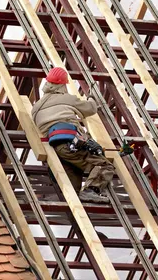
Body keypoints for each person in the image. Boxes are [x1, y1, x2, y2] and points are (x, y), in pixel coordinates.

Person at [31, 67, 114, 203]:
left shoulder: (36, 107)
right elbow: (90, 108)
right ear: (62, 84)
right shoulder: (67, 98)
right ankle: (90, 191)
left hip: (58, 149)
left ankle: (77, 200)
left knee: (75, 173)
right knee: (105, 166)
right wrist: (93, 98)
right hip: (72, 143)